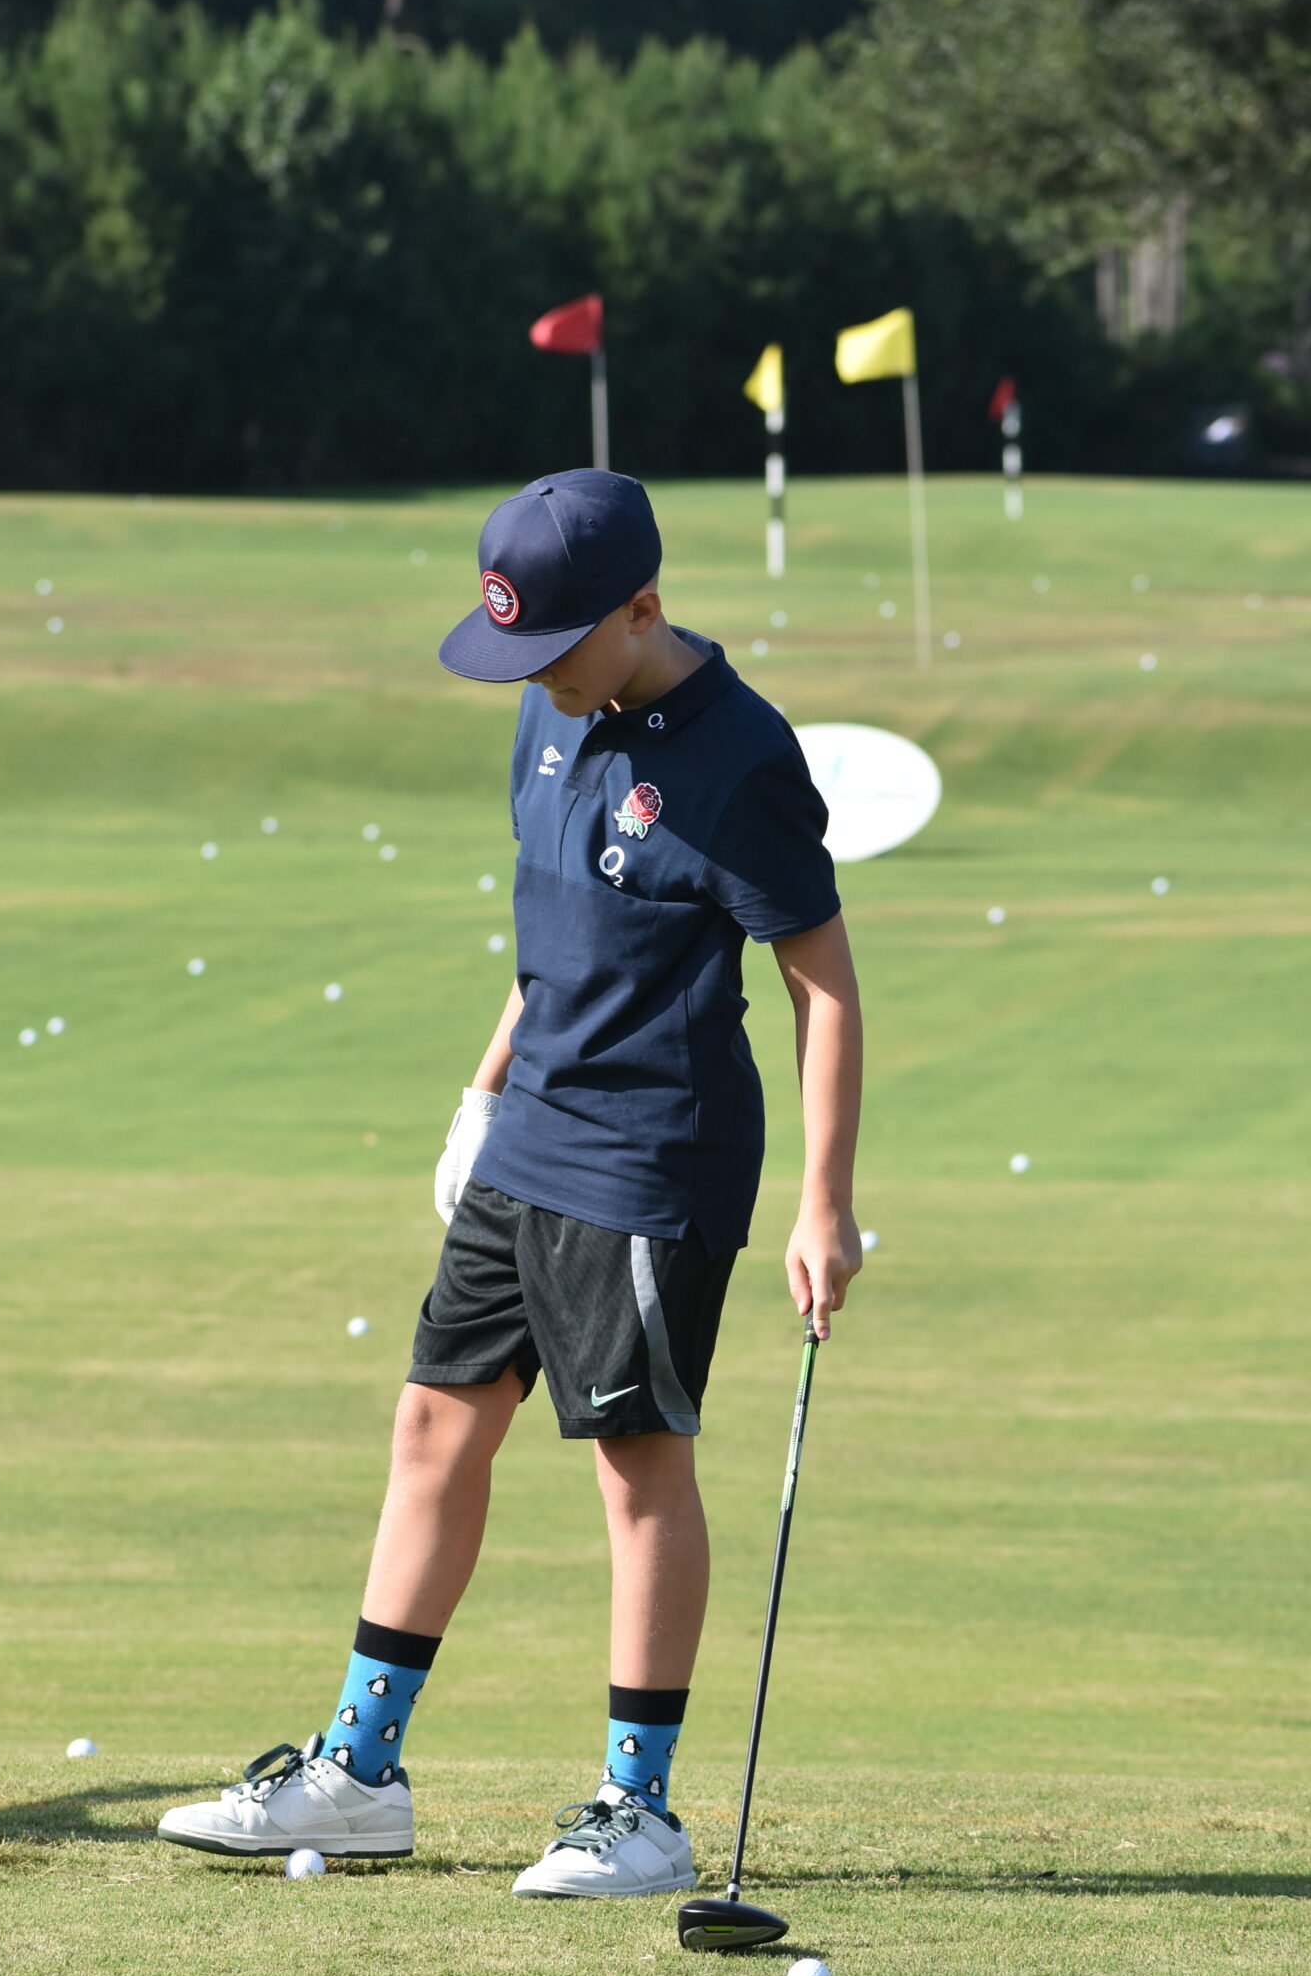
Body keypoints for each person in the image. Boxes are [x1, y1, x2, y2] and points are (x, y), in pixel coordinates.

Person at [158, 469, 862, 1897]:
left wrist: (822, 1202)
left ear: (642, 609)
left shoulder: (743, 755)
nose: (531, 675)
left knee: (635, 1464)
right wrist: (479, 1097)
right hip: (530, 1131)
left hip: (654, 1153)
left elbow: (824, 985)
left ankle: (637, 1811)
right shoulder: (550, 719)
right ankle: (359, 1775)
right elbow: (550, 950)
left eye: (551, 646)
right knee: (434, 1425)